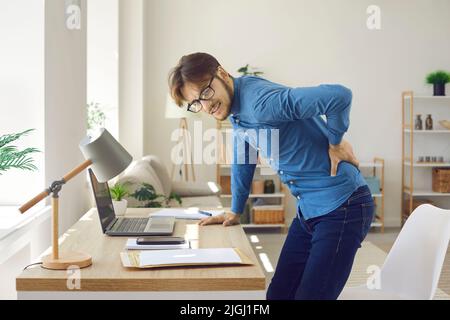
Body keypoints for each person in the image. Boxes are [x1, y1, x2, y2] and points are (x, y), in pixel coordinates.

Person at [168, 52, 375, 300]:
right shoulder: (235, 110)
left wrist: (335, 142)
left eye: (205, 92)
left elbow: (339, 96)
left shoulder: (262, 103)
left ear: (222, 74)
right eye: (196, 103)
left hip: (343, 206)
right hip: (309, 211)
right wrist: (235, 210)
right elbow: (242, 160)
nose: (205, 105)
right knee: (278, 295)